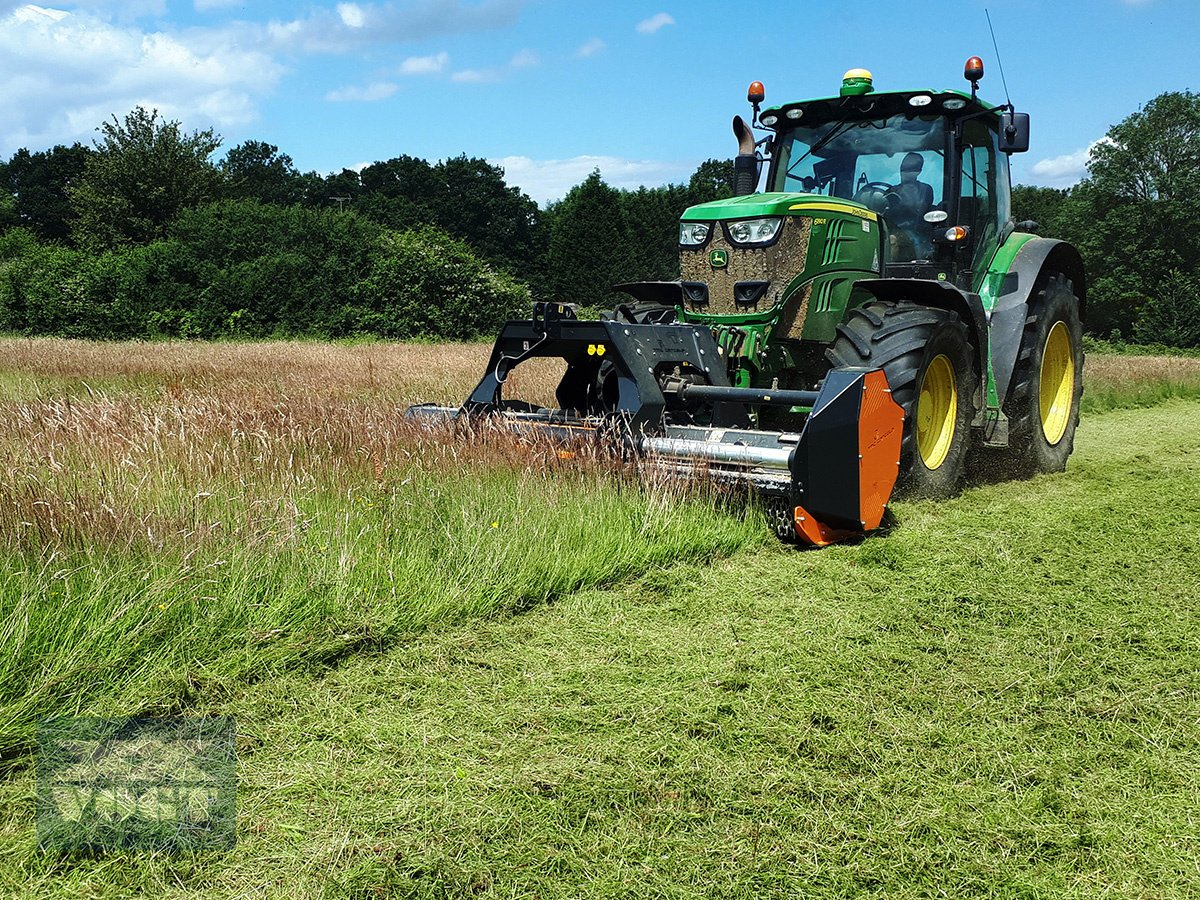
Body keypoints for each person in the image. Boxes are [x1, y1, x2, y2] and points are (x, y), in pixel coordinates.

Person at [886, 152, 934, 260]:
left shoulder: (925, 190)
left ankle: (888, 272)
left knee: (892, 240)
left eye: (911, 169)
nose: (905, 172)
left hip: (916, 232)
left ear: (919, 172)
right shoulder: (891, 191)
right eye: (903, 168)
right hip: (890, 229)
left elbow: (918, 211)